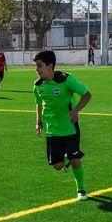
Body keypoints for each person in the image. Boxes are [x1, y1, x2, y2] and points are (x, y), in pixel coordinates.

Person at [34, 50, 92, 201]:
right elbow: (39, 104)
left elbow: (87, 95)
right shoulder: (38, 86)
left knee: (75, 159)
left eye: (39, 66)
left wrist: (76, 110)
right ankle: (65, 159)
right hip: (52, 129)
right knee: (58, 165)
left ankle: (81, 189)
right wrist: (38, 122)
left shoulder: (66, 79)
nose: (36, 69)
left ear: (50, 66)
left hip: (70, 127)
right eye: (36, 66)